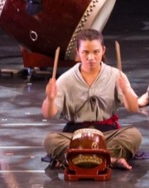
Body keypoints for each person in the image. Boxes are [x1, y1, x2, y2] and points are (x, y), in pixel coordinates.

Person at [42, 28, 143, 171]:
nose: (91, 57)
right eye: (85, 52)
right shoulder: (66, 79)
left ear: (103, 50)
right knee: (50, 140)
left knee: (134, 135)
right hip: (75, 136)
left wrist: (126, 91)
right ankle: (109, 159)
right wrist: (50, 99)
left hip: (106, 134)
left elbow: (134, 108)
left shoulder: (115, 75)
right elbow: (48, 113)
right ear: (78, 53)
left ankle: (75, 158)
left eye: (96, 52)